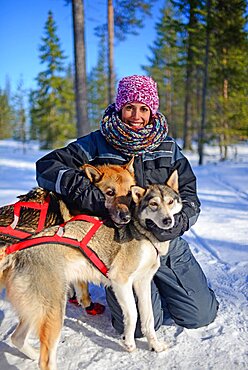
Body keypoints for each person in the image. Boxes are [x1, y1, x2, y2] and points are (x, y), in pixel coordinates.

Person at [36, 75, 219, 336]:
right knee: (137, 329)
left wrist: (178, 223)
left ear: (152, 111)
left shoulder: (167, 147)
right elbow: (46, 167)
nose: (136, 115)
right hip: (120, 244)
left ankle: (166, 289)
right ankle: (150, 295)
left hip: (164, 242)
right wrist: (95, 198)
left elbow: (189, 195)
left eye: (144, 108)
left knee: (201, 315)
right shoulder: (97, 142)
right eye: (130, 107)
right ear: (120, 107)